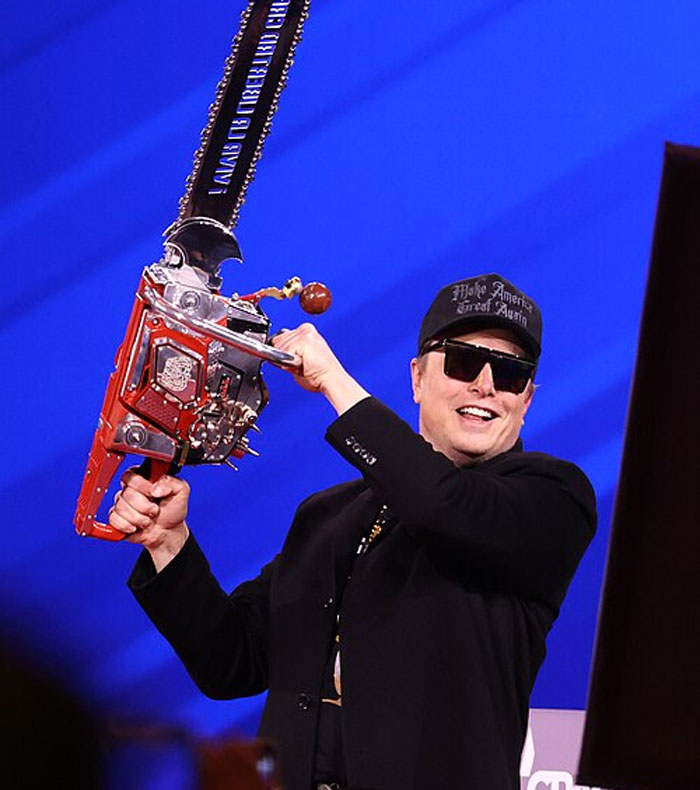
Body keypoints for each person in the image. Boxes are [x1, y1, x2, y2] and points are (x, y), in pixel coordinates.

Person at [113, 273, 597, 790]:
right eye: (460, 362)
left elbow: (442, 506)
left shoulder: (553, 497)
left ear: (526, 400)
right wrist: (168, 543)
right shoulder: (328, 515)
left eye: (509, 373)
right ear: (416, 378)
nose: (484, 384)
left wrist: (333, 381)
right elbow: (231, 661)